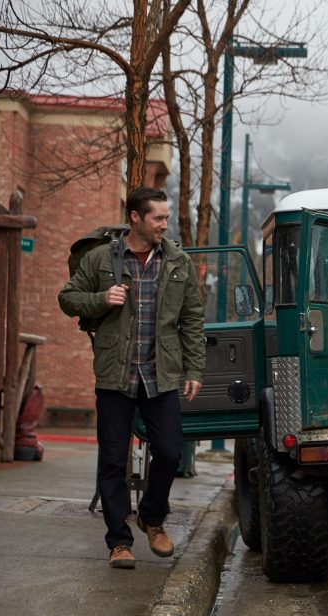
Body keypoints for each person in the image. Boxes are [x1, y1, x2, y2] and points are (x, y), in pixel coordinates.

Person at [59, 187, 205, 569]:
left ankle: (152, 517)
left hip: (162, 375)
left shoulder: (177, 261)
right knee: (112, 459)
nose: (164, 224)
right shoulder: (99, 259)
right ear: (135, 218)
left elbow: (192, 318)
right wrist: (101, 299)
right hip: (115, 374)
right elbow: (67, 297)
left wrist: (194, 369)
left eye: (166, 217)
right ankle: (119, 541)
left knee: (171, 452)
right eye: (157, 218)